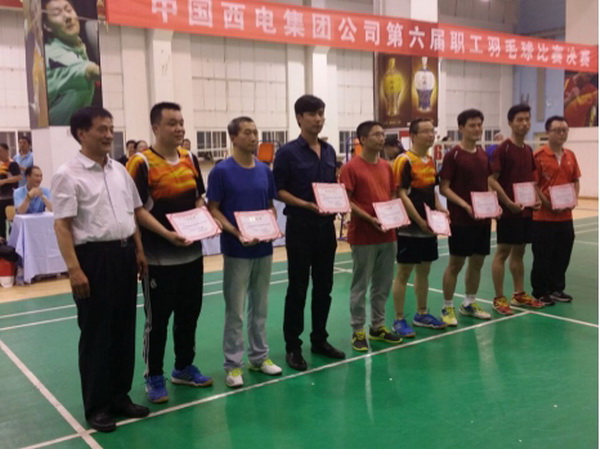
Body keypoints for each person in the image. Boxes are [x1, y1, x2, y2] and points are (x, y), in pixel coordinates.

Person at [52, 106, 149, 433]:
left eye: (111, 128)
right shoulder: (67, 174)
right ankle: (97, 406)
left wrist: (138, 250)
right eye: (102, 129)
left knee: (123, 330)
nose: (109, 135)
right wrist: (74, 270)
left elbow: (132, 213)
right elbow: (62, 226)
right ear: (82, 133)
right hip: (93, 260)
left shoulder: (119, 170)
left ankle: (120, 396)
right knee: (96, 335)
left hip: (124, 255)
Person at [127, 102, 212, 404]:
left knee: (189, 314)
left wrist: (202, 220)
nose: (179, 128)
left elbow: (198, 198)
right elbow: (136, 210)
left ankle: (183, 367)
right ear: (155, 127)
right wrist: (167, 235)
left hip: (192, 256)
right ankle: (153, 375)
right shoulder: (140, 163)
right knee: (158, 321)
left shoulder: (190, 158)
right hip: (158, 258)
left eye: (181, 122)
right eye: (172, 123)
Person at [207, 116, 282, 388]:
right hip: (237, 250)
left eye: (255, 132)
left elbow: (270, 205)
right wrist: (236, 232)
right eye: (247, 132)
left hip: (264, 248)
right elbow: (213, 208)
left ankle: (259, 357)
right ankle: (233, 365)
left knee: (260, 307)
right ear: (233, 138)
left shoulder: (264, 170)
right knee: (236, 311)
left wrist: (270, 224)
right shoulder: (221, 172)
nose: (253, 137)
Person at [273, 94, 345, 371]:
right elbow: (278, 190)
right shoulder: (287, 153)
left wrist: (338, 202)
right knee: (298, 289)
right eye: (313, 114)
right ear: (299, 118)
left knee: (324, 287)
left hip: (326, 228)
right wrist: (305, 204)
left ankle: (320, 339)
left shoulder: (329, 151)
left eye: (321, 114)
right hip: (300, 227)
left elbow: (332, 187)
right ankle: (293, 346)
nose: (318, 119)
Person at [339, 121, 401, 351]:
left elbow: (392, 194)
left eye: (383, 134)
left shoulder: (386, 167)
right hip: (364, 235)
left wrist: (392, 216)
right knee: (360, 286)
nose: (381, 138)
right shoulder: (351, 168)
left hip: (388, 234)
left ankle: (377, 326)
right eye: (376, 134)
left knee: (383, 284)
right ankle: (358, 330)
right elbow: (346, 201)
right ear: (363, 139)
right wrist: (370, 218)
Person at [391, 118, 448, 338]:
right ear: (413, 135)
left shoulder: (430, 160)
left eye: (432, 131)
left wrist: (440, 209)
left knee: (424, 270)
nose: (430, 135)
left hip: (429, 226)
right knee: (404, 272)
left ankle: (422, 313)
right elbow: (401, 194)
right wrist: (419, 221)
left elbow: (432, 191)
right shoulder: (403, 160)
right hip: (409, 227)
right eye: (425, 131)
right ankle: (398, 319)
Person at [488, 104, 544, 315]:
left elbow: (530, 181)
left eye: (527, 119)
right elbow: (491, 180)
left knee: (519, 252)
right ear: (510, 123)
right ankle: (499, 298)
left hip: (525, 211)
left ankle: (519, 294)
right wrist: (508, 202)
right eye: (520, 119)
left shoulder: (528, 150)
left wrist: (535, 200)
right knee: (502, 252)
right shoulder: (503, 149)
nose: (525, 123)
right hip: (508, 211)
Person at [439, 109, 492, 326]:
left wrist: (492, 203)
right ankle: (447, 306)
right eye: (472, 125)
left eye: (479, 125)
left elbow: (486, 183)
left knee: (477, 262)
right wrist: (465, 205)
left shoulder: (483, 154)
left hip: (483, 219)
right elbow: (444, 188)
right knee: (456, 264)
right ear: (461, 128)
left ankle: (469, 303)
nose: (477, 129)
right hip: (461, 219)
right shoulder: (453, 155)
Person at [531, 116, 581, 304]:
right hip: (543, 218)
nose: (562, 133)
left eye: (565, 130)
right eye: (557, 130)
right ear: (548, 132)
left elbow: (575, 180)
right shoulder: (538, 156)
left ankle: (556, 288)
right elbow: (534, 184)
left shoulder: (570, 155)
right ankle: (540, 291)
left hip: (566, 217)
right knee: (542, 256)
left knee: (563, 254)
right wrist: (547, 203)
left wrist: (574, 199)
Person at [43, 0, 101, 125]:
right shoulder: (52, 54)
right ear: (47, 26)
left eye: (68, 10)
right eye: (57, 13)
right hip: (56, 133)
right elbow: (91, 71)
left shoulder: (77, 45)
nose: (67, 17)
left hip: (76, 130)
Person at [0, 143, 22, 238]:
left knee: (13, 222)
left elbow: (19, 177)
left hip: (10, 197)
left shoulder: (12, 164)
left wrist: (4, 181)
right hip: (1, 198)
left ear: (6, 151)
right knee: (1, 223)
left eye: (0, 151)